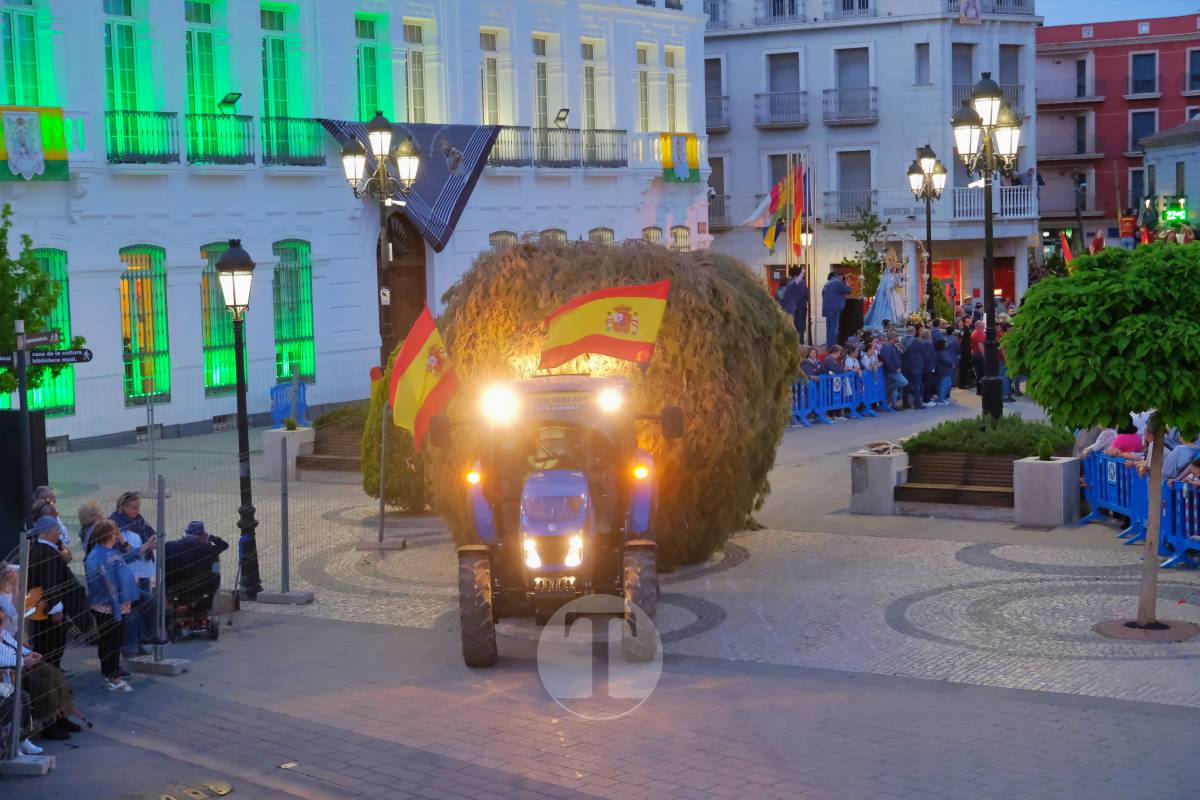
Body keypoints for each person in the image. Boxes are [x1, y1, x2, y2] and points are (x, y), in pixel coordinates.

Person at [0, 603, 78, 744]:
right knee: (44, 685)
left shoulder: (3, 632)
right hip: (11, 672)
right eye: (2, 621)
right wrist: (24, 660)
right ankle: (49, 725)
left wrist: (29, 653)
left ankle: (61, 716)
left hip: (23, 662)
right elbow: (4, 660)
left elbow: (15, 644)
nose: (5, 623)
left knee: (56, 675)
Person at [26, 515, 88, 668]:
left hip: (42, 608)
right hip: (48, 609)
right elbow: (51, 583)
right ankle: (49, 674)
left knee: (46, 644)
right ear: (46, 533)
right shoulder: (48, 553)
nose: (60, 533)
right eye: (57, 530)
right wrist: (57, 609)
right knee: (52, 645)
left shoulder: (39, 548)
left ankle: (50, 673)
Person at [83, 520, 138, 692]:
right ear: (110, 535)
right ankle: (113, 675)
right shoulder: (107, 556)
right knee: (113, 641)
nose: (117, 536)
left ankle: (108, 670)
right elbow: (112, 582)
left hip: (101, 603)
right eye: (115, 533)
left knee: (107, 640)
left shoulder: (95, 554)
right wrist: (132, 581)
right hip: (112, 604)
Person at [110, 492, 161, 657]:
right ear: (123, 507)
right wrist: (146, 546)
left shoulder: (139, 520)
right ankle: (130, 645)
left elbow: (151, 535)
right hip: (129, 575)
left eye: (139, 507)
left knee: (145, 609)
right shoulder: (115, 525)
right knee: (131, 612)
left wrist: (154, 542)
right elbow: (121, 554)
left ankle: (141, 642)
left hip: (144, 572)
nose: (138, 510)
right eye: (134, 507)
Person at [165, 521, 230, 612]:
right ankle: (207, 604)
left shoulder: (169, 546)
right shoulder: (207, 548)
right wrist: (211, 537)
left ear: (187, 533)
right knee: (215, 563)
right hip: (201, 590)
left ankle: (178, 606)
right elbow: (224, 545)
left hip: (176, 590)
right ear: (202, 535)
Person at [862, 263, 905, 331]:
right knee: (888, 309)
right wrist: (889, 288)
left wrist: (904, 278)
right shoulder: (886, 276)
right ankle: (887, 324)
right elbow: (884, 287)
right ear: (890, 269)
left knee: (897, 309)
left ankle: (894, 323)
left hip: (893, 295)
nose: (894, 269)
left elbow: (900, 285)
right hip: (886, 296)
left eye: (895, 268)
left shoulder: (897, 275)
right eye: (892, 268)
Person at [777, 266, 809, 341]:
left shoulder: (788, 283)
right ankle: (801, 340)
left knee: (793, 324)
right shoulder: (802, 283)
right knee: (801, 323)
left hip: (791, 307)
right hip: (801, 305)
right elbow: (807, 294)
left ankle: (794, 340)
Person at [821, 272, 852, 347]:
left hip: (828, 308)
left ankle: (829, 345)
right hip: (834, 309)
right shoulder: (837, 282)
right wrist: (846, 282)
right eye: (842, 277)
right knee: (834, 329)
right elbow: (849, 290)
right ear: (839, 276)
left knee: (829, 328)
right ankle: (833, 347)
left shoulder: (828, 283)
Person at [901, 330, 929, 410]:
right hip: (916, 365)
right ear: (914, 332)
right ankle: (917, 404)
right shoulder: (917, 342)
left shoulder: (902, 340)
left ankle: (905, 403)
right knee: (917, 385)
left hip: (905, 365)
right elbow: (923, 352)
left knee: (906, 385)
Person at [880, 334, 906, 408]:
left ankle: (894, 405)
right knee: (904, 382)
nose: (898, 338)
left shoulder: (894, 346)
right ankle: (887, 389)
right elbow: (887, 359)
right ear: (893, 337)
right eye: (897, 337)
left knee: (895, 388)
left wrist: (901, 349)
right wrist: (894, 369)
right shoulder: (887, 346)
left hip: (895, 370)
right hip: (892, 371)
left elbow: (898, 357)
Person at [934, 338, 955, 404]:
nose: (946, 344)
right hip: (945, 371)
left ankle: (942, 398)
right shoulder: (942, 353)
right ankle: (941, 399)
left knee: (946, 384)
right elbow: (947, 360)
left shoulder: (938, 352)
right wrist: (952, 363)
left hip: (943, 370)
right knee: (944, 385)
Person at [970, 320, 986, 395]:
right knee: (981, 373)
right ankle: (980, 390)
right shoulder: (979, 333)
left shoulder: (974, 332)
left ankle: (979, 390)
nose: (984, 327)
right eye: (983, 326)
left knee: (979, 373)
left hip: (976, 355)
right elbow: (980, 346)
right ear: (979, 326)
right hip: (979, 356)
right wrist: (985, 356)